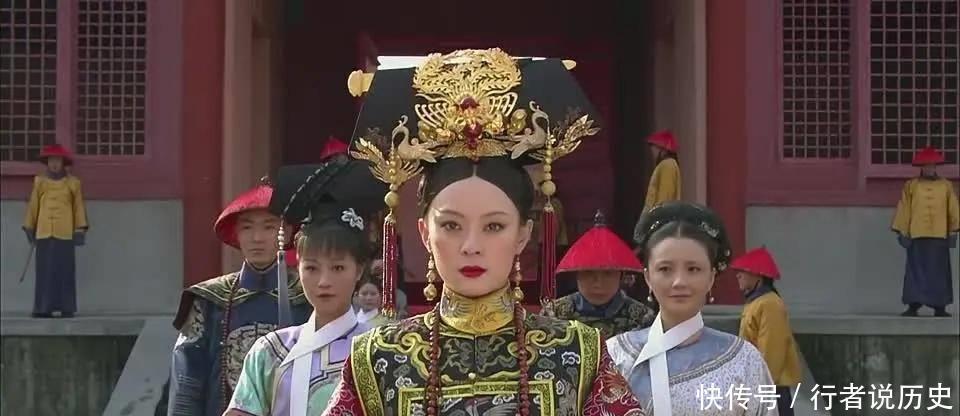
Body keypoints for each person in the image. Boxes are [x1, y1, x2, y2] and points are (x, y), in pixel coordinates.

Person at [323, 48, 643, 415]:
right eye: (451, 225)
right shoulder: (378, 359)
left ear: (523, 234)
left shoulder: (576, 353)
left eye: (494, 226)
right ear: (425, 233)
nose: (471, 246)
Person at [225, 148, 386, 416]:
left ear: (359, 270)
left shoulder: (379, 350)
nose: (324, 281)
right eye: (311, 268)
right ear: (297, 266)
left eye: (338, 268)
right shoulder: (270, 352)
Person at [609, 201, 777, 416]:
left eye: (693, 269)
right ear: (648, 277)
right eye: (665, 269)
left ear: (711, 278)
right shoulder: (615, 356)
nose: (679, 281)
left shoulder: (744, 361)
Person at [167, 180, 313, 416]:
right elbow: (187, 381)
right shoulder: (209, 300)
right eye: (247, 228)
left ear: (286, 232)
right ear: (236, 233)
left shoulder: (308, 295)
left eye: (269, 227)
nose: (257, 238)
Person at [551, 210, 656, 339]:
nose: (598, 283)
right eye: (588, 273)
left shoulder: (642, 317)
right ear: (577, 274)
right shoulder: (555, 313)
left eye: (608, 274)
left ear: (621, 275)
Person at [732, 247, 802, 416]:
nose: (738, 275)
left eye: (743, 271)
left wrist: (760, 387)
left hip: (770, 387)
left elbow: (772, 350)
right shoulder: (756, 302)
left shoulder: (770, 304)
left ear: (758, 275)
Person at [891, 146, 959, 317]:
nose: (930, 168)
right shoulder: (911, 185)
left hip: (939, 234)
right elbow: (905, 208)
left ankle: (940, 306)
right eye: (926, 165)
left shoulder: (946, 185)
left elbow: (953, 208)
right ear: (921, 167)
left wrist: (953, 230)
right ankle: (913, 305)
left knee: (939, 272)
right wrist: (902, 230)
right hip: (917, 233)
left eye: (932, 166)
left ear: (936, 167)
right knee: (915, 271)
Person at [23, 144, 88, 318]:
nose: (54, 164)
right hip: (44, 231)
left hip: (64, 232)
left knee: (65, 271)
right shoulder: (40, 182)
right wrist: (30, 226)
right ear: (47, 162)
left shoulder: (73, 183)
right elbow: (33, 205)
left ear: (63, 163)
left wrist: (79, 229)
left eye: (57, 161)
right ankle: (43, 308)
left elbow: (78, 207)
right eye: (51, 161)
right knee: (44, 271)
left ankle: (67, 307)